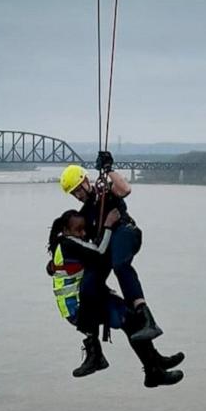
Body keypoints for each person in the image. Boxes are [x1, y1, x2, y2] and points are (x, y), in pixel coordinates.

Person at [46, 209, 184, 387]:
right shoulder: (69, 244)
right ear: (65, 230)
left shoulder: (62, 244)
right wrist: (108, 226)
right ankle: (151, 369)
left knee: (132, 321)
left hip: (82, 303)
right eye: (78, 230)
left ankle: (154, 364)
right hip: (80, 308)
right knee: (131, 321)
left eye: (84, 230)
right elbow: (99, 253)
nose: (83, 234)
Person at [58, 156, 162, 345]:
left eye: (77, 191)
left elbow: (125, 189)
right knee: (89, 284)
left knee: (120, 266)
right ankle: (93, 344)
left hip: (125, 232)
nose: (77, 196)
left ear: (84, 181)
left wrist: (108, 169)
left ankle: (147, 317)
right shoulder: (85, 213)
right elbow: (84, 243)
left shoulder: (104, 190)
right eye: (73, 194)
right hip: (110, 245)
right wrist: (58, 265)